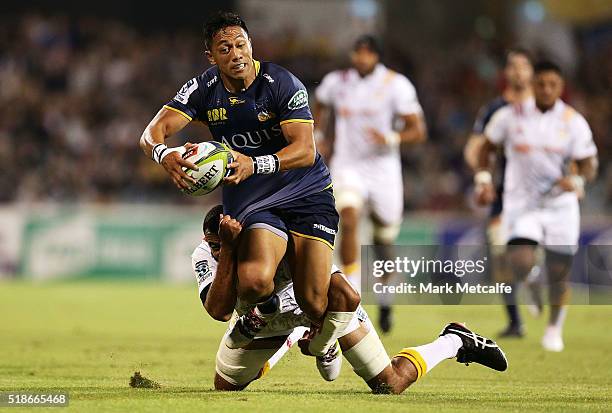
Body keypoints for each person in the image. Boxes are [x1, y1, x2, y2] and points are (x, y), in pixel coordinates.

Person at [139, 12, 346, 357]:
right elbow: (151, 133)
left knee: (314, 301)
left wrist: (255, 163)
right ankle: (272, 319)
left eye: (241, 44)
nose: (236, 54)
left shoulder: (281, 83)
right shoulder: (203, 89)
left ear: (250, 44)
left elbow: (306, 151)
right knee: (253, 284)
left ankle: (323, 340)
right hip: (252, 198)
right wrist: (163, 155)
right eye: (224, 48)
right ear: (211, 56)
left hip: (306, 190)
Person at [194, 206, 508, 392]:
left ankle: (455, 341)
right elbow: (218, 310)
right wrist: (230, 250)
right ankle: (290, 338)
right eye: (213, 244)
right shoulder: (206, 254)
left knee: (390, 383)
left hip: (321, 311)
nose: (216, 251)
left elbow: (347, 297)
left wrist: (325, 335)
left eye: (222, 244)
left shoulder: (286, 245)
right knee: (227, 387)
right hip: (265, 318)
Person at [475, 60, 599, 351]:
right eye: (540, 84)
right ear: (533, 85)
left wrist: (578, 181)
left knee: (559, 275)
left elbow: (588, 163)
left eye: (552, 84)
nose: (545, 89)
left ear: (560, 87)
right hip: (522, 204)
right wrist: (483, 179)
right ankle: (529, 278)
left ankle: (554, 329)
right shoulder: (510, 116)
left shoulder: (572, 121)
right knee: (518, 261)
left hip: (560, 206)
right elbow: (486, 148)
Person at [313, 35, 427, 333]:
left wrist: (392, 138)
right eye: (357, 53)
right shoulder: (337, 82)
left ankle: (386, 299)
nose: (361, 58)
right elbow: (320, 104)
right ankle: (352, 295)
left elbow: (418, 130)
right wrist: (319, 134)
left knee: (383, 241)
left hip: (384, 171)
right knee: (348, 218)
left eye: (367, 54)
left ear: (376, 56)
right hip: (348, 165)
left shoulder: (396, 85)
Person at [464, 48, 540, 338]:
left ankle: (531, 276)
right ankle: (515, 321)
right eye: (513, 66)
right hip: (505, 193)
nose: (518, 71)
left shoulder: (544, 108)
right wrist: (482, 177)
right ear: (506, 73)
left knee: (524, 257)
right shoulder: (496, 110)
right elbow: (474, 148)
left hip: (540, 198)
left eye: (523, 66)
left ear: (532, 72)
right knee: (499, 254)